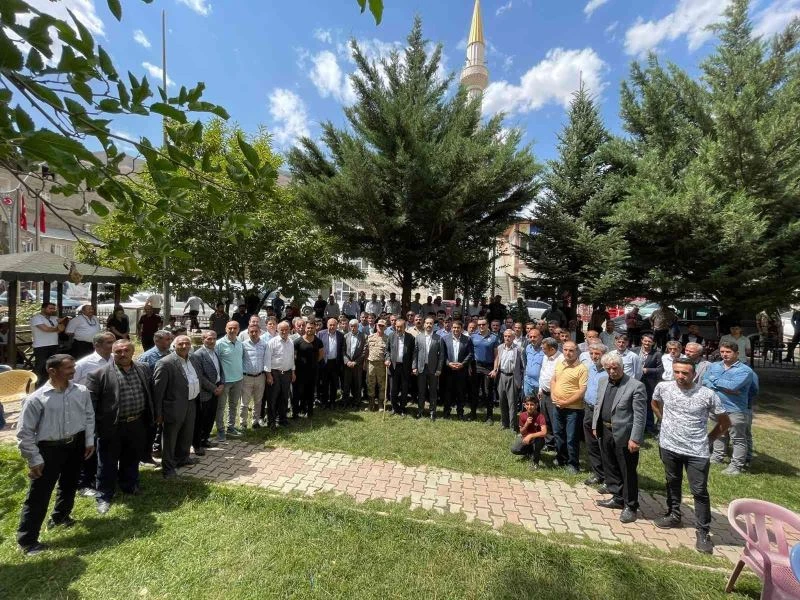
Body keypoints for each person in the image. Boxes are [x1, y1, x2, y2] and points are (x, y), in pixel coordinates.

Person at [16, 354, 95, 555]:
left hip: (75, 445)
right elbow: (24, 433)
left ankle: (61, 516)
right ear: (52, 371)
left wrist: (88, 441)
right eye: (68, 368)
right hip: (48, 450)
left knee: (69, 484)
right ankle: (27, 540)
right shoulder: (36, 399)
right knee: (39, 494)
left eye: (73, 366)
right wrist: (34, 459)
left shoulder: (82, 391)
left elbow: (88, 416)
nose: (73, 371)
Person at [652, 358, 730, 554]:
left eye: (684, 373)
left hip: (696, 451)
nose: (680, 376)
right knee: (672, 481)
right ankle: (673, 514)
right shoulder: (663, 388)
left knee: (699, 491)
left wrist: (708, 440)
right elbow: (654, 404)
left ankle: (703, 531)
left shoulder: (707, 395)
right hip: (669, 446)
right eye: (677, 372)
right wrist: (666, 422)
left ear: (694, 374)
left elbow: (724, 422)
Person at [87, 340, 152, 514]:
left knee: (131, 457)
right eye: (118, 351)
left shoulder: (143, 368)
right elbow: (91, 406)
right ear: (112, 353)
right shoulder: (99, 374)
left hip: (137, 422)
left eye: (126, 351)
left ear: (132, 351)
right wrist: (94, 429)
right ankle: (104, 496)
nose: (122, 354)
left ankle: (129, 486)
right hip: (112, 426)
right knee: (107, 463)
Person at [592, 353, 647, 523]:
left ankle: (630, 505)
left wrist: (635, 439)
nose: (611, 371)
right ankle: (617, 497)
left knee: (627, 471)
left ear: (622, 367)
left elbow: (640, 416)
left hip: (625, 434)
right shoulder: (603, 382)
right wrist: (595, 425)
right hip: (605, 430)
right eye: (608, 368)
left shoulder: (635, 386)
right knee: (610, 466)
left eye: (615, 368)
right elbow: (598, 404)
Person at [153, 335, 208, 479]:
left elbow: (198, 378)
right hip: (173, 406)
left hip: (191, 403)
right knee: (170, 439)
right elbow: (158, 392)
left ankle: (183, 458)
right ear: (174, 345)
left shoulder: (194, 359)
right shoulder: (165, 363)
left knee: (187, 434)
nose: (184, 346)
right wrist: (158, 413)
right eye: (181, 344)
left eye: (187, 343)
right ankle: (168, 468)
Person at [703, 341, 758, 475]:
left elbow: (733, 386)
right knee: (719, 434)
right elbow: (705, 381)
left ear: (737, 353)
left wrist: (715, 382)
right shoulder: (715, 366)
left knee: (738, 439)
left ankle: (737, 466)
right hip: (716, 407)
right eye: (722, 352)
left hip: (735, 409)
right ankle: (717, 457)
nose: (724, 354)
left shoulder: (745, 370)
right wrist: (726, 387)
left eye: (728, 352)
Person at [72, 331, 115, 495]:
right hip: (87, 410)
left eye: (113, 341)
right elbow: (69, 384)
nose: (113, 345)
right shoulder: (84, 364)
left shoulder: (113, 359)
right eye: (108, 342)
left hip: (107, 411)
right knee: (88, 445)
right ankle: (83, 483)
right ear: (96, 345)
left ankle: (99, 476)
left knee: (101, 445)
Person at [549, 341, 588, 474]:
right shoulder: (560, 364)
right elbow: (553, 380)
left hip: (573, 409)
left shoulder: (582, 368)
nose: (567, 353)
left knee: (571, 437)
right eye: (565, 350)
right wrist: (553, 394)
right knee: (558, 434)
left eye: (571, 350)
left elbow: (582, 391)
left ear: (576, 351)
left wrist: (566, 402)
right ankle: (561, 458)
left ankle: (573, 464)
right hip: (558, 406)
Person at [192, 331, 224, 454]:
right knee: (201, 419)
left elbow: (220, 370)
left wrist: (221, 383)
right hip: (206, 392)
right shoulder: (198, 355)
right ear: (203, 339)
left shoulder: (215, 351)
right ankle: (197, 444)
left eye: (214, 339)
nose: (212, 341)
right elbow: (200, 377)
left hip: (217, 388)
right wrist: (214, 388)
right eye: (209, 339)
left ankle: (205, 439)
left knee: (210, 417)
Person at [581, 343, 608, 487]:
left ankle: (609, 478)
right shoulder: (590, 368)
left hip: (601, 412)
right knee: (591, 444)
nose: (594, 356)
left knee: (602, 444)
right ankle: (598, 474)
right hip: (588, 409)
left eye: (597, 354)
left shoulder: (609, 371)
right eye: (591, 353)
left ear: (604, 354)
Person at [215, 321, 244, 441]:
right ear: (226, 329)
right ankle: (220, 430)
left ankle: (231, 427)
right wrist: (219, 381)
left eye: (235, 328)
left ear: (238, 329)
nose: (232, 330)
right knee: (221, 407)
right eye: (230, 328)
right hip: (224, 382)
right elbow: (215, 364)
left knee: (233, 405)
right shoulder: (219, 344)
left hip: (238, 380)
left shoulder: (240, 343)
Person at [490, 329, 524, 431]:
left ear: (513, 337)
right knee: (502, 401)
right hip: (502, 376)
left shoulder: (519, 349)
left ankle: (513, 426)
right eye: (505, 336)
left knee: (512, 403)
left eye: (509, 336)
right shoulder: (500, 347)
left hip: (513, 377)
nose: (507, 338)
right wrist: (495, 369)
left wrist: (520, 379)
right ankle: (504, 424)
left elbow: (523, 366)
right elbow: (497, 360)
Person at [413, 317, 444, 420]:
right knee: (421, 391)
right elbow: (415, 354)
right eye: (427, 323)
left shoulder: (438, 338)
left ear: (433, 325)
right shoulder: (418, 337)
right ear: (424, 324)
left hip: (433, 369)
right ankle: (420, 410)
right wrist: (414, 367)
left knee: (433, 392)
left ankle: (432, 412)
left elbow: (441, 356)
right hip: (421, 368)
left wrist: (439, 369)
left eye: (431, 323)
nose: (429, 325)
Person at [265, 321, 295, 427]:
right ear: (277, 330)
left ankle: (282, 419)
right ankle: (271, 421)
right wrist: (269, 375)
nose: (284, 331)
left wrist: (293, 372)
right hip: (274, 373)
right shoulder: (272, 342)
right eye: (281, 329)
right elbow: (267, 360)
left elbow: (292, 358)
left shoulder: (291, 341)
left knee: (284, 397)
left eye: (286, 329)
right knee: (273, 398)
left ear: (289, 329)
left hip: (287, 373)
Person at [442, 320, 473, 420]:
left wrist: (462, 364)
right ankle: (446, 412)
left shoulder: (467, 339)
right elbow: (443, 355)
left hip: (461, 370)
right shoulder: (445, 339)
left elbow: (470, 354)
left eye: (458, 328)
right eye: (454, 327)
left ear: (462, 329)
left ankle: (460, 413)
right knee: (448, 392)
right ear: (451, 328)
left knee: (461, 392)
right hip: (448, 370)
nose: (455, 329)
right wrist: (448, 363)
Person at [471, 318, 500, 424]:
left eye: (483, 324)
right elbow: (470, 353)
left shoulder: (494, 337)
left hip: (488, 367)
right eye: (479, 325)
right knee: (474, 391)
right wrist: (470, 367)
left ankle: (489, 416)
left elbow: (497, 355)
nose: (481, 326)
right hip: (476, 366)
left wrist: (495, 369)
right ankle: (473, 413)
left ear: (488, 325)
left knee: (488, 392)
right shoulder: (473, 336)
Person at [240, 325, 268, 429]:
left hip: (260, 377)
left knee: (258, 401)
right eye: (251, 332)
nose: (254, 333)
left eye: (256, 331)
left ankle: (255, 422)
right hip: (246, 377)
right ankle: (243, 424)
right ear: (248, 333)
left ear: (260, 332)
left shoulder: (265, 345)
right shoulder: (243, 345)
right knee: (244, 403)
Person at [385, 318, 415, 416]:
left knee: (404, 389)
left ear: (404, 327)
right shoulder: (391, 336)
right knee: (393, 389)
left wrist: (413, 366)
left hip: (405, 367)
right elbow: (387, 350)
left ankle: (402, 408)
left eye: (400, 327)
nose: (398, 329)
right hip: (393, 366)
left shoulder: (410, 338)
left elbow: (413, 353)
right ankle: (394, 407)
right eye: (397, 327)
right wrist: (387, 358)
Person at [293, 321, 323, 418]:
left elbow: (321, 355)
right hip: (300, 372)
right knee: (298, 392)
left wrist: (313, 363)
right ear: (305, 328)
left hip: (313, 371)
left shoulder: (318, 341)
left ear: (315, 329)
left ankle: (309, 411)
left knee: (310, 392)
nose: (310, 330)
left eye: (312, 328)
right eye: (308, 328)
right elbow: (294, 356)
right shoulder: (297, 342)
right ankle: (296, 412)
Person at [31, 302, 66, 385]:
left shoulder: (54, 318)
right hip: (41, 346)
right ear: (43, 309)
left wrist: (65, 321)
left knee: (52, 366)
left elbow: (61, 326)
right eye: (50, 308)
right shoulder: (36, 318)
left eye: (53, 308)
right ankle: (35, 385)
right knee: (41, 367)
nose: (52, 310)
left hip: (54, 345)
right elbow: (45, 329)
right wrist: (58, 328)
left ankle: (48, 383)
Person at [634, 333, 663, 434]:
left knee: (648, 404)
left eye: (649, 341)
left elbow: (660, 369)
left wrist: (647, 370)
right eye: (645, 341)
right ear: (641, 341)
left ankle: (649, 427)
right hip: (634, 381)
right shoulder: (634, 350)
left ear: (653, 342)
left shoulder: (657, 353)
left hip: (649, 383)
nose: (647, 343)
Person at [510, 396, 548, 470]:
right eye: (527, 404)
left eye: (532, 404)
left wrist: (530, 435)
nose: (529, 407)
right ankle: (530, 452)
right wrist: (526, 424)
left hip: (537, 439)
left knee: (538, 441)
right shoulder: (522, 415)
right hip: (525, 438)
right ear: (524, 405)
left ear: (536, 405)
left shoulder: (540, 416)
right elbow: (521, 431)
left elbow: (544, 432)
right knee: (514, 449)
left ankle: (535, 463)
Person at [537, 337, 562, 451]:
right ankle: (549, 443)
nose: (542, 350)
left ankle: (559, 446)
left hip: (554, 395)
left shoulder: (561, 359)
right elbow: (543, 373)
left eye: (544, 348)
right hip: (544, 393)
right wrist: (540, 389)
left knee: (555, 421)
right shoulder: (545, 357)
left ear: (552, 349)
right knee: (545, 419)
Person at [317, 318, 344, 409]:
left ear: (337, 326)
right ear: (327, 325)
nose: (332, 327)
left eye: (334, 325)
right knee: (324, 383)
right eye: (330, 325)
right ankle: (324, 402)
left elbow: (341, 350)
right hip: (324, 363)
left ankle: (332, 402)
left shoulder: (340, 335)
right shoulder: (321, 334)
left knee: (334, 384)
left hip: (335, 363)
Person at [365, 319, 389, 411]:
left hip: (382, 365)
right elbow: (366, 351)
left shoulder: (387, 338)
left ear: (385, 327)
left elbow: (388, 352)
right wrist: (364, 363)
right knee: (370, 384)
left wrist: (387, 360)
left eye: (383, 325)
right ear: (376, 325)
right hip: (371, 364)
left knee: (382, 385)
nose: (381, 327)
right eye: (379, 325)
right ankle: (371, 404)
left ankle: (380, 405)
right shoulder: (370, 337)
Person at [342, 319, 366, 408]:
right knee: (346, 384)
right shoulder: (345, 336)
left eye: (355, 326)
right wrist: (347, 361)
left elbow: (364, 352)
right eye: (351, 326)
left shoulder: (363, 336)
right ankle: (345, 402)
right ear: (349, 326)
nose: (353, 328)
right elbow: (343, 351)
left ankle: (357, 402)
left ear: (358, 326)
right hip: (347, 365)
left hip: (357, 365)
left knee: (357, 384)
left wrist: (355, 362)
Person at [523, 328, 544, 398]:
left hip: (540, 384)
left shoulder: (545, 349)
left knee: (540, 406)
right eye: (530, 337)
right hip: (528, 382)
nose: (532, 339)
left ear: (540, 337)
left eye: (535, 337)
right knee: (529, 405)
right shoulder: (528, 347)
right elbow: (526, 362)